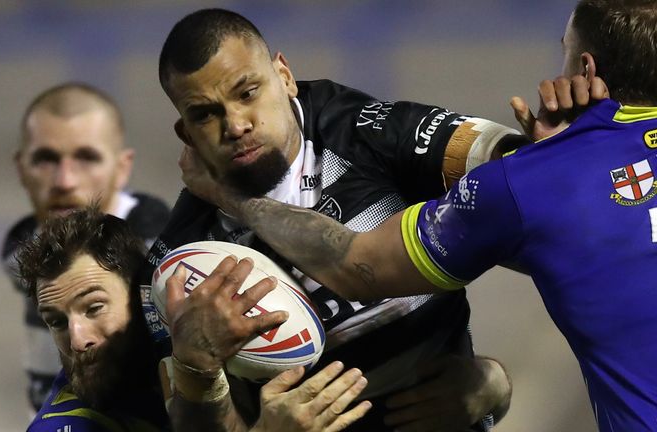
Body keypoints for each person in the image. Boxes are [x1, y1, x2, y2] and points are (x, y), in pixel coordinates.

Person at [179, 1, 655, 431]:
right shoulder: (176, 251)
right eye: (205, 114)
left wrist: (233, 198)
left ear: (585, 68)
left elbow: (354, 265)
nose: (236, 125)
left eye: (565, 51)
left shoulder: (527, 183)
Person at [148, 8, 528, 431]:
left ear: (284, 75)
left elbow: (516, 165)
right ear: (185, 133)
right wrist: (200, 373)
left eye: (247, 92)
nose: (236, 124)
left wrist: (492, 382)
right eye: (205, 114)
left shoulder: (364, 130)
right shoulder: (181, 264)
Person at [16, 207, 372, 431]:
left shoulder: (207, 348)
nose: (78, 340)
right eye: (57, 322)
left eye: (94, 309)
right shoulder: (67, 425)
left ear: (145, 297)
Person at [1, 82, 171, 412]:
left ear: (122, 168)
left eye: (86, 157)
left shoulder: (166, 260)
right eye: (46, 159)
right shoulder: (17, 253)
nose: (65, 181)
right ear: (21, 169)